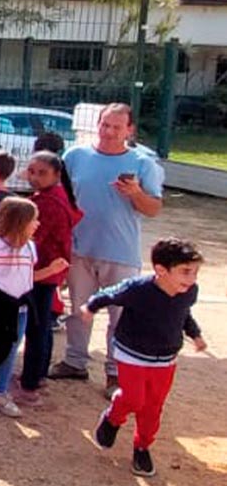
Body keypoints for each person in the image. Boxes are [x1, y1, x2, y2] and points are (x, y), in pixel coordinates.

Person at [57, 103, 165, 399]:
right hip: (80, 247)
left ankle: (116, 372)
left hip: (120, 250)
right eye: (105, 125)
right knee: (79, 308)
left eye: (116, 127)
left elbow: (154, 208)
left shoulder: (144, 162)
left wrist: (136, 194)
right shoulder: (75, 156)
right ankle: (74, 360)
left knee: (120, 315)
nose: (108, 132)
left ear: (129, 130)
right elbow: (63, 198)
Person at [89, 239, 207, 477]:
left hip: (165, 359)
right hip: (131, 354)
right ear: (161, 270)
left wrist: (195, 334)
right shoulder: (138, 288)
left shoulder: (189, 291)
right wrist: (90, 306)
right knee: (134, 399)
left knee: (153, 407)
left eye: (195, 272)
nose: (191, 278)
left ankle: (142, 447)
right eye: (185, 271)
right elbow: (109, 294)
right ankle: (113, 418)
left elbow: (183, 314)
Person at [0, 198, 60, 421]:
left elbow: (28, 277)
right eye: (33, 220)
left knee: (11, 349)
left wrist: (51, 270)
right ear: (19, 222)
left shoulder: (30, 247)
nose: (37, 224)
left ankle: (0, 392)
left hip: (20, 307)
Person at [17, 151, 78, 405]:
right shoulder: (55, 196)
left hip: (41, 272)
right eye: (32, 171)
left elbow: (32, 239)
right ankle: (38, 375)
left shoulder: (47, 203)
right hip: (50, 271)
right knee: (43, 325)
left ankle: (30, 383)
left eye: (42, 173)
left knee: (36, 327)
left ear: (56, 174)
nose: (34, 177)